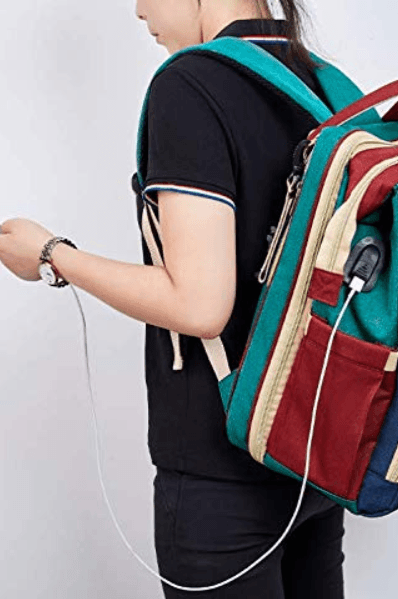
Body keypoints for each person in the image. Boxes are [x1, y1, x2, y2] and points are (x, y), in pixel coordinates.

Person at [134, 1, 346, 597]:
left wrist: (52, 255)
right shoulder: (324, 84)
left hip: (220, 470)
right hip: (315, 453)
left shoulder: (189, 84)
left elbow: (199, 307)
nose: (138, 9)